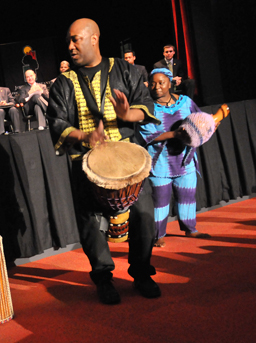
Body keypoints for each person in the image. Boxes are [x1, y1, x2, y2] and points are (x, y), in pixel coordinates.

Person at [47, 18, 161, 304]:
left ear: (94, 39)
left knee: (144, 217)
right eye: (69, 41)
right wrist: (85, 135)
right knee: (90, 224)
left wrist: (126, 115)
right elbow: (57, 124)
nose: (70, 46)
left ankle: (142, 272)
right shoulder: (63, 83)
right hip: (86, 163)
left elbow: (145, 106)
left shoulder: (127, 71)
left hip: (128, 161)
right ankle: (103, 278)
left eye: (76, 40)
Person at [137, 69, 211, 247]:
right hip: (160, 163)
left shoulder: (186, 102)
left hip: (185, 161)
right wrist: (175, 134)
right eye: (153, 83)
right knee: (160, 201)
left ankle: (190, 229)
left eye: (161, 82)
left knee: (187, 197)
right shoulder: (148, 108)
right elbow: (148, 135)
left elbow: (201, 119)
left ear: (170, 83)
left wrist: (208, 125)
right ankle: (159, 234)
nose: (157, 87)